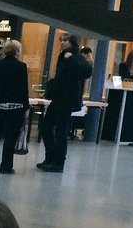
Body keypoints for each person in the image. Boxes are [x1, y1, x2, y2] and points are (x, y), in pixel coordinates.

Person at [37, 32, 92, 172]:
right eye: (61, 40)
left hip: (67, 100)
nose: (62, 43)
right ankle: (50, 157)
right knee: (46, 127)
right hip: (58, 98)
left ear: (72, 42)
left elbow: (87, 72)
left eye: (65, 40)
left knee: (61, 131)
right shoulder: (62, 56)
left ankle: (58, 162)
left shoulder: (76, 56)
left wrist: (72, 59)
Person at [0, 39, 29, 174]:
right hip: (15, 107)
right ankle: (6, 166)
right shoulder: (21, 66)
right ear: (17, 51)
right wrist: (25, 105)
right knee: (10, 138)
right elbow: (23, 88)